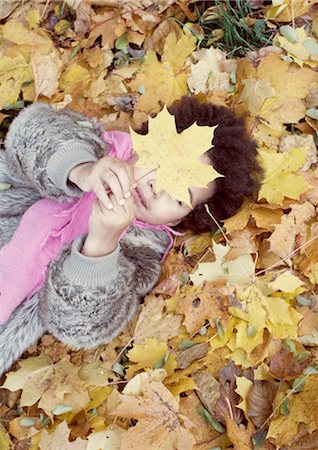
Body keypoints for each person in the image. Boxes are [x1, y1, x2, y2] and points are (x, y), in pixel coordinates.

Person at [0, 96, 262, 377]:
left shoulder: (142, 251)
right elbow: (34, 132)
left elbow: (80, 324)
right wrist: (81, 169)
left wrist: (101, 245)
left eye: (177, 195)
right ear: (143, 145)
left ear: (178, 220)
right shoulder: (102, 149)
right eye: (158, 164)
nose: (156, 186)